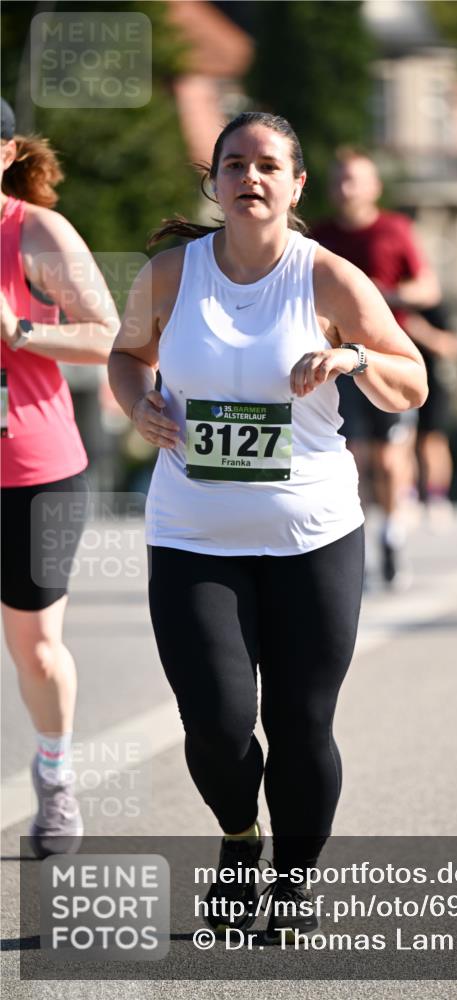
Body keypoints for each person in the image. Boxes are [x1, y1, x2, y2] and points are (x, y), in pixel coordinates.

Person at [107, 111, 427, 942]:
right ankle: (239, 840)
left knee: (298, 722)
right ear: (211, 182)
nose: (250, 177)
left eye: (267, 166)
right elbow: (125, 353)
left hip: (312, 535)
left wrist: (352, 358)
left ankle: (291, 885)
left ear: (295, 185)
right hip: (192, 535)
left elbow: (413, 379)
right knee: (214, 722)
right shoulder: (171, 275)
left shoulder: (329, 279)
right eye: (234, 164)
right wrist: (136, 403)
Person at [0, 98, 117, 856]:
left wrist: (18, 330)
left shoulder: (34, 233)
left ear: (8, 151)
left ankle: (55, 776)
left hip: (31, 466)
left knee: (36, 646)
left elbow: (110, 335)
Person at [312, 148, 440, 586]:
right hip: (335, 362)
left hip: (384, 362)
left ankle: (393, 533)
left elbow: (428, 288)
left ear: (374, 187)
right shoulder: (320, 236)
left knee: (389, 460)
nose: (346, 187)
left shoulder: (394, 230)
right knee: (353, 459)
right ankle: (362, 541)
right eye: (339, 179)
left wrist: (387, 296)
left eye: (355, 179)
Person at [402, 303, 457, 528]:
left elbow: (450, 346)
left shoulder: (433, 307)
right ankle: (408, 495)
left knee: (432, 441)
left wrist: (419, 330)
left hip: (433, 381)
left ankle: (437, 497)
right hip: (400, 381)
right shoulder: (383, 304)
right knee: (403, 440)